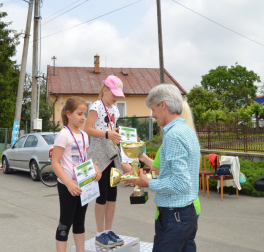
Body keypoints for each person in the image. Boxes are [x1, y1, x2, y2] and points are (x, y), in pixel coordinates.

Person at [135, 84, 200, 252]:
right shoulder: (186, 131)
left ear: (163, 105)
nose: (152, 115)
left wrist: (148, 183)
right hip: (187, 214)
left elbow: (181, 183)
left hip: (175, 216)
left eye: (153, 109)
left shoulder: (173, 135)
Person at [51, 96, 102, 252]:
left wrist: (94, 169)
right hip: (68, 186)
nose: (83, 118)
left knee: (80, 222)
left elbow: (84, 159)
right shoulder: (63, 135)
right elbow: (55, 162)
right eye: (79, 114)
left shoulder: (84, 135)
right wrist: (68, 183)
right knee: (65, 223)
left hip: (83, 185)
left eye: (84, 114)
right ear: (69, 114)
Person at [138, 101, 201, 220]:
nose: (153, 115)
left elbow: (155, 173)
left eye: (154, 110)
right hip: (192, 205)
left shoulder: (171, 139)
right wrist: (145, 159)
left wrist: (142, 179)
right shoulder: (190, 137)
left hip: (173, 210)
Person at [84, 75, 125, 249]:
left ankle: (109, 230)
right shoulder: (96, 106)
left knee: (112, 196)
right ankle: (100, 233)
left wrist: (117, 134)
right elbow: (88, 129)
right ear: (105, 89)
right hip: (99, 156)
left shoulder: (115, 110)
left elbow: (112, 129)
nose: (116, 97)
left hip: (112, 154)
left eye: (118, 94)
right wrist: (107, 134)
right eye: (113, 93)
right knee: (101, 196)